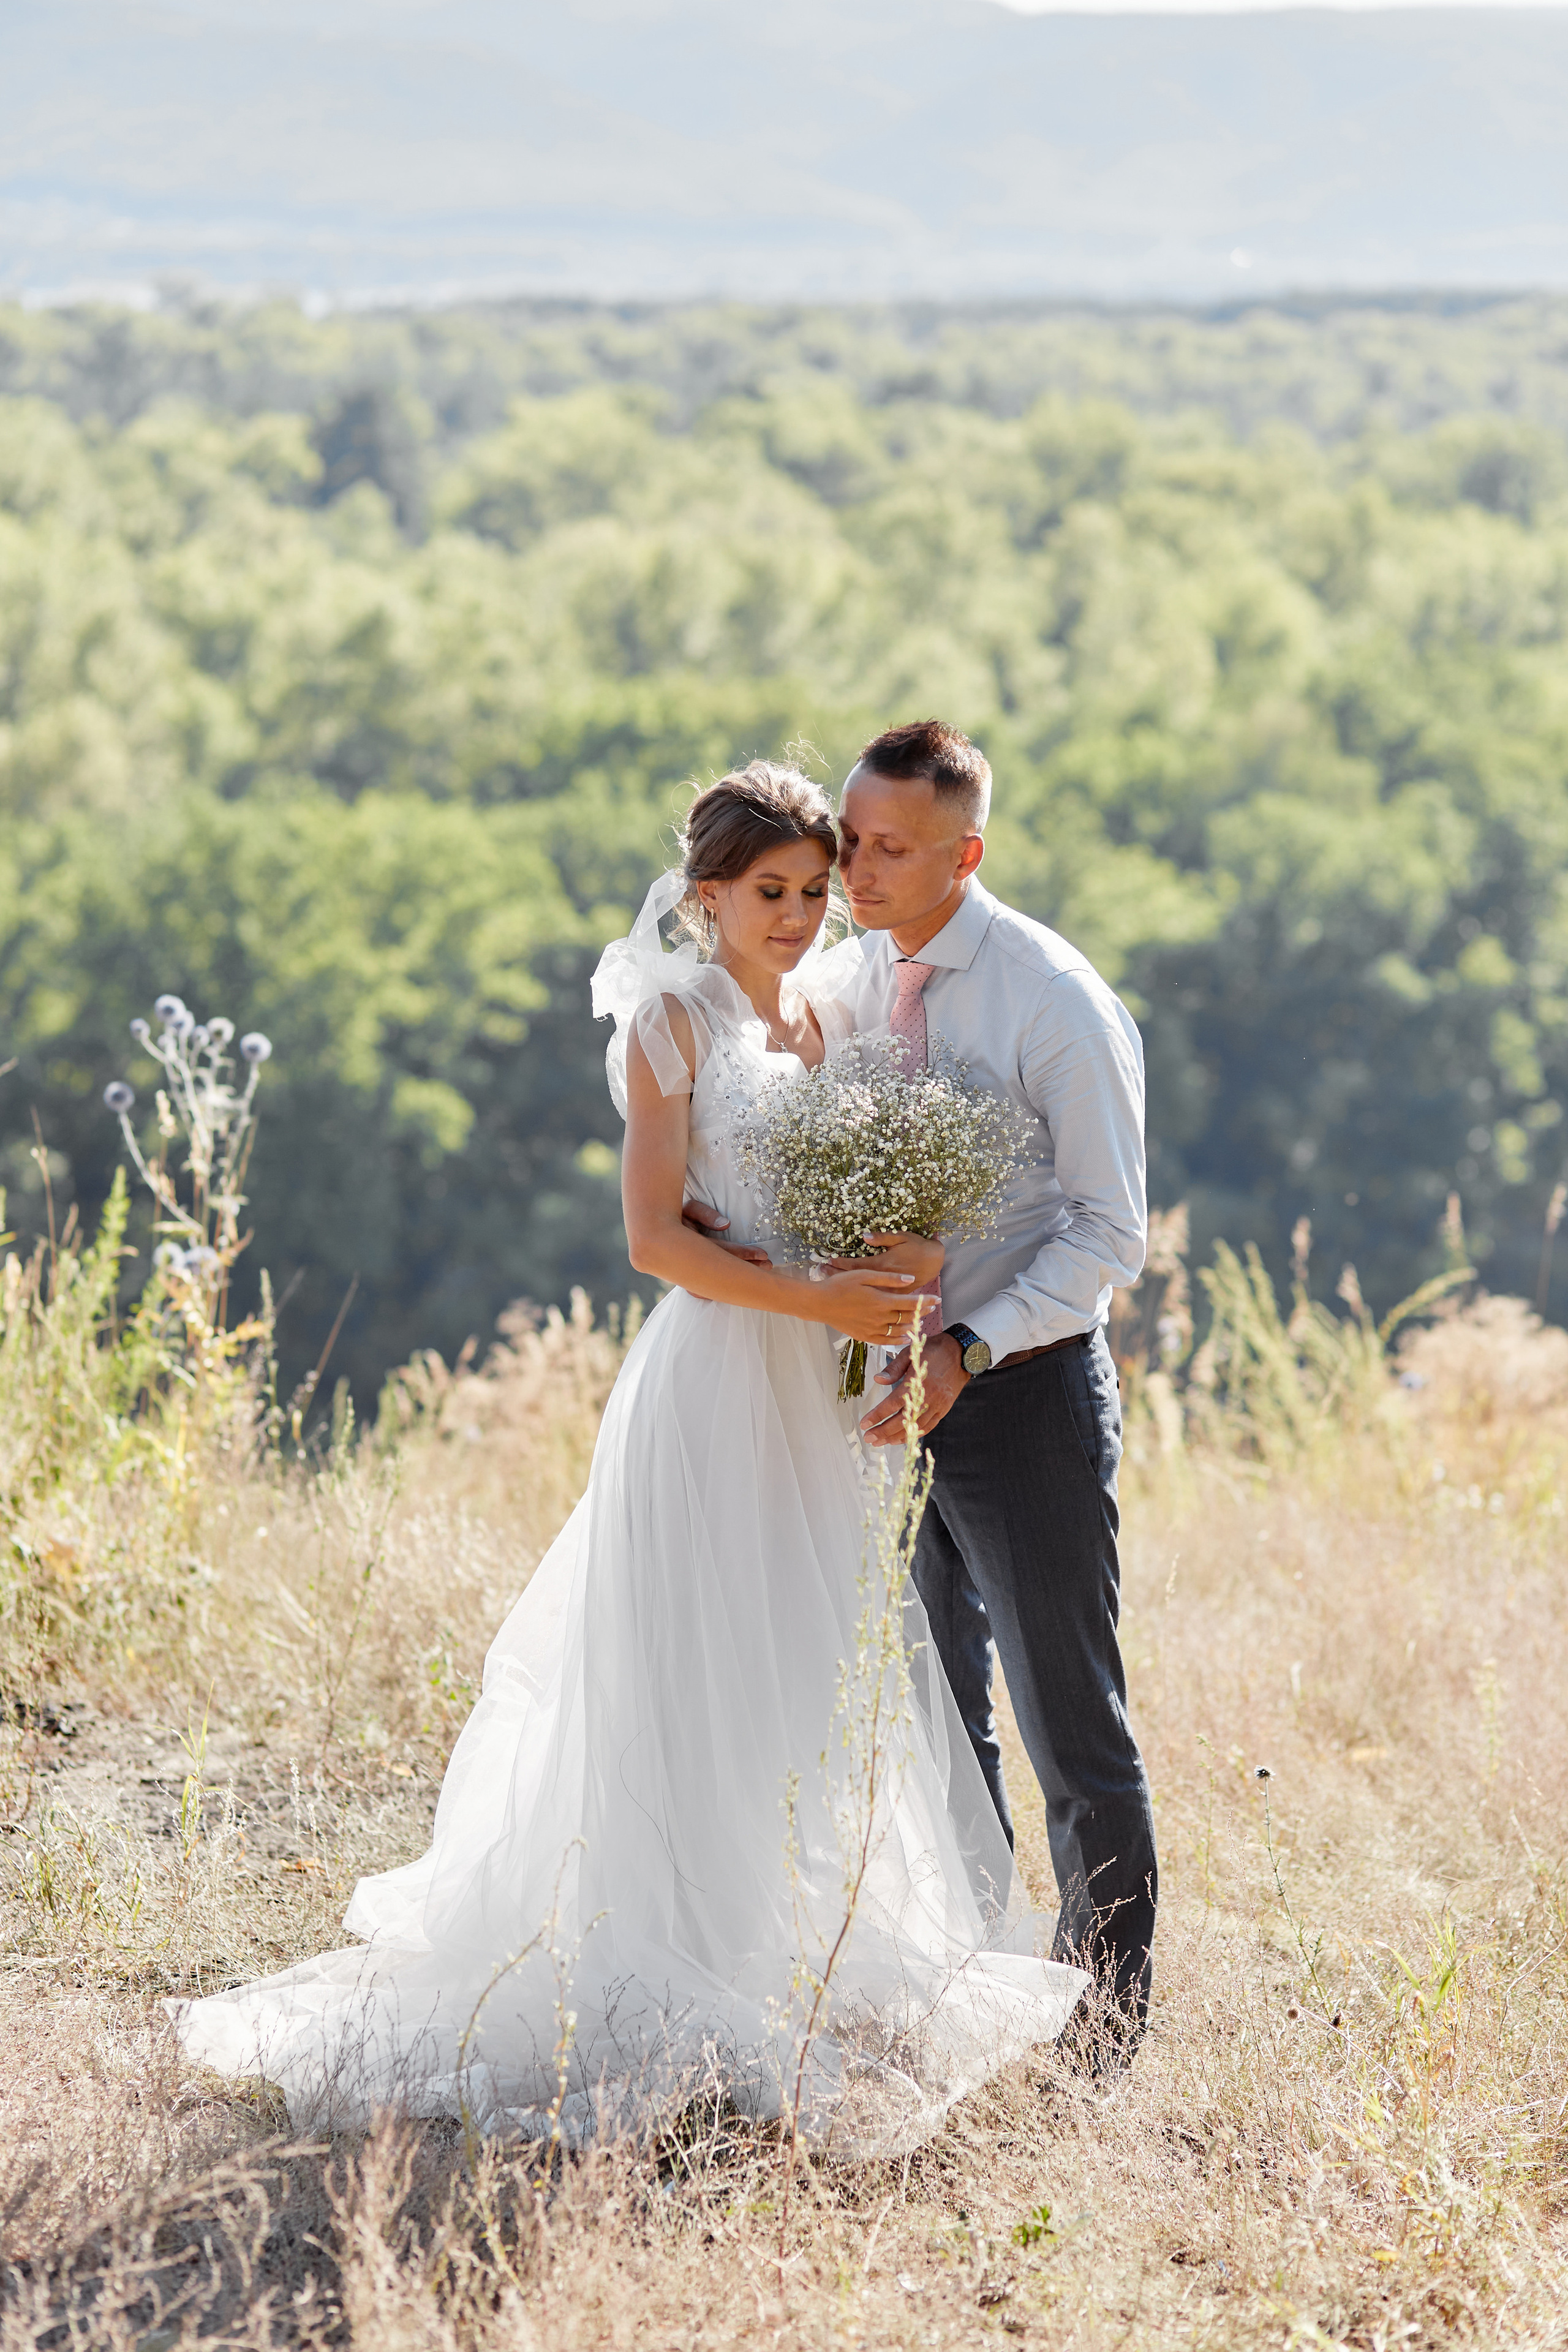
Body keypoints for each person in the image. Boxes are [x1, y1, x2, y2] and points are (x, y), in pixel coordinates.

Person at [167, 762, 1085, 2147]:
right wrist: (821, 1302)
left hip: (817, 1397)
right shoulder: (671, 1022)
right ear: (703, 894)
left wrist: (897, 1272)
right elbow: (656, 1241)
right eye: (766, 892)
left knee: (809, 1654)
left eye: (812, 891)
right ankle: (672, 1944)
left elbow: (861, 1199)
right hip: (716, 1377)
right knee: (694, 1655)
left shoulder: (832, 1023)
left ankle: (795, 1937)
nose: (794, 915)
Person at [840, 719, 1157, 2057]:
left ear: (963, 854)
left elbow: (1107, 1233)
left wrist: (964, 1352)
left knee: (1066, 1724)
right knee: (930, 1712)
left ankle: (1097, 2041)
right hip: (885, 1400)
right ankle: (968, 2007)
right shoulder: (856, 972)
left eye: (886, 848)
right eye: (850, 838)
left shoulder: (1051, 999)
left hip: (1018, 1397)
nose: (852, 868)